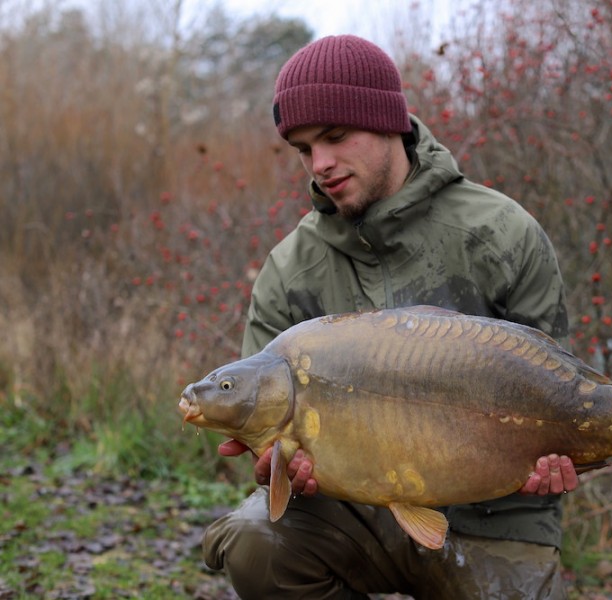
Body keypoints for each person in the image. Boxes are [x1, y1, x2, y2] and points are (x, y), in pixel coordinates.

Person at [203, 34, 585, 599]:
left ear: (388, 123)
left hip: (495, 514)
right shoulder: (289, 269)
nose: (321, 164)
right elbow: (263, 419)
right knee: (256, 542)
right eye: (304, 149)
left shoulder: (502, 233)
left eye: (335, 137)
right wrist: (276, 467)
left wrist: (562, 453)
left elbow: (555, 382)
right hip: (350, 512)